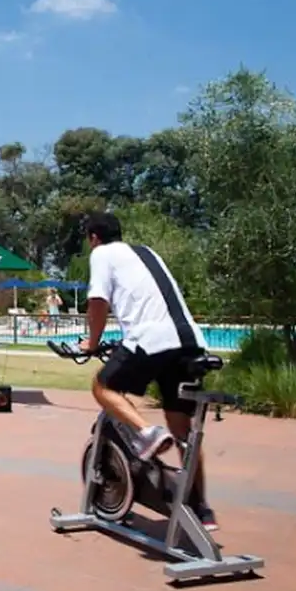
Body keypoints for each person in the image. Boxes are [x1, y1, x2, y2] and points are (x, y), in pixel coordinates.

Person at [79, 211, 217, 531]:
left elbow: (98, 301)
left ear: (93, 238)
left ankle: (145, 432)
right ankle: (202, 509)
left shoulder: (101, 253)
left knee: (102, 387)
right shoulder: (146, 252)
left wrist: (92, 342)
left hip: (151, 340)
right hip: (189, 341)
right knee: (183, 430)